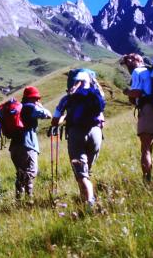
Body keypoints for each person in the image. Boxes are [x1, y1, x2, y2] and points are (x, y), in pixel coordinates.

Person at [51, 71, 105, 208]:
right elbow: (102, 120)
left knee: (81, 175)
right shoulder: (96, 96)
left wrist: (65, 118)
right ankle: (84, 200)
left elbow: (55, 121)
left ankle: (89, 204)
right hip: (96, 133)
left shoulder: (67, 98)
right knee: (86, 171)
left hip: (77, 134)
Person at [120, 53, 153, 182]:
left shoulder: (137, 72)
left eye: (129, 61)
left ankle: (147, 180)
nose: (127, 64)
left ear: (137, 60)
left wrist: (127, 92)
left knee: (146, 148)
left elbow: (137, 92)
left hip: (148, 110)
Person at [9, 86, 52, 200]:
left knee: (21, 172)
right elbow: (48, 114)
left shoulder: (19, 108)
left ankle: (22, 199)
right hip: (27, 145)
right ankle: (28, 198)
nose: (37, 100)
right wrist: (40, 106)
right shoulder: (29, 107)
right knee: (32, 170)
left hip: (14, 146)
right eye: (36, 98)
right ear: (31, 98)